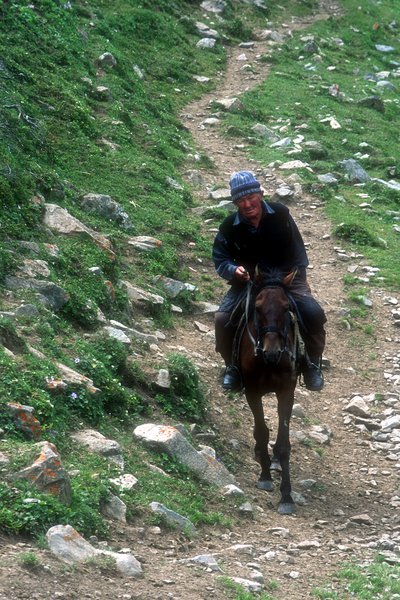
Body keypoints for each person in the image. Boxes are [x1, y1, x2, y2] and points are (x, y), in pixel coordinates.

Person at [212, 170, 326, 392]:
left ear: (260, 194)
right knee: (222, 319)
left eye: (251, 197)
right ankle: (232, 368)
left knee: (312, 313)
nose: (247, 204)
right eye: (240, 200)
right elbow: (220, 258)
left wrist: (295, 276)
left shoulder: (281, 214)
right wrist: (234, 270)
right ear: (235, 202)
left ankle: (312, 364)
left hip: (286, 277)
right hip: (249, 281)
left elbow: (298, 249)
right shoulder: (228, 227)